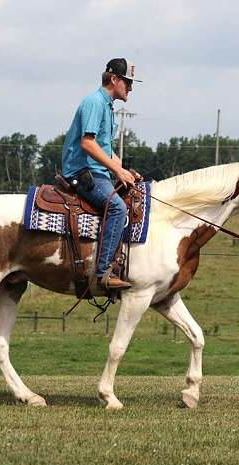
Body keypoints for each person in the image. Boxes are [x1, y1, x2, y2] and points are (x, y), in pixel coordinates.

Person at [62, 58, 142, 291]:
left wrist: (124, 171)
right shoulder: (94, 102)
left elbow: (105, 149)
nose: (130, 87)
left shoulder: (106, 106)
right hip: (83, 172)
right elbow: (88, 144)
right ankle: (104, 271)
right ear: (114, 79)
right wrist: (117, 170)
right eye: (127, 82)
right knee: (117, 207)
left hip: (97, 171)